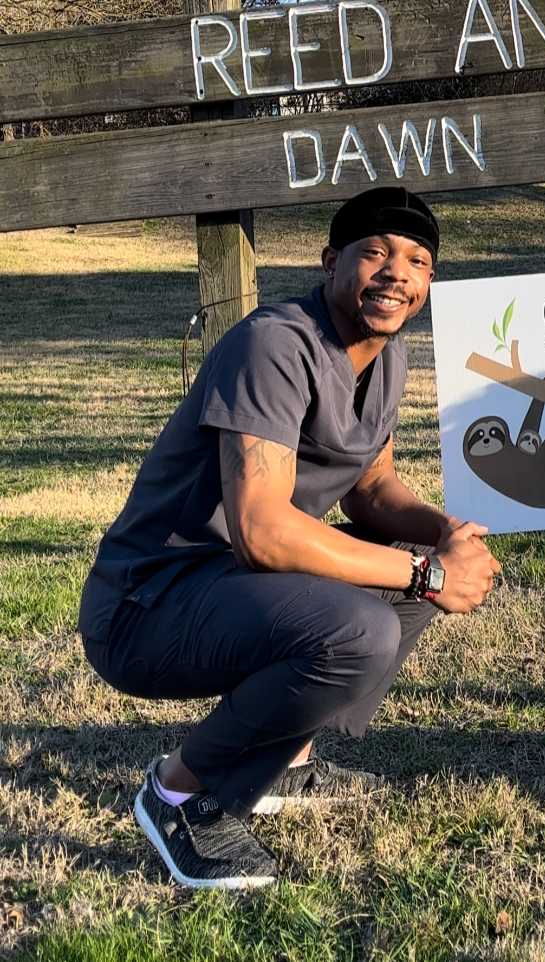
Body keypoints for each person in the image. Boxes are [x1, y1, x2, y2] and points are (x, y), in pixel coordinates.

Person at [79, 186, 501, 889]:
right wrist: (432, 576)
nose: (397, 271)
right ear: (331, 262)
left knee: (406, 576)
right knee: (362, 626)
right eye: (376, 253)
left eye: (418, 261)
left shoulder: (385, 354)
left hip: (231, 594)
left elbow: (371, 491)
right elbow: (262, 532)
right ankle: (181, 796)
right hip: (147, 605)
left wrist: (448, 538)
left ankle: (286, 764)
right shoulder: (275, 344)